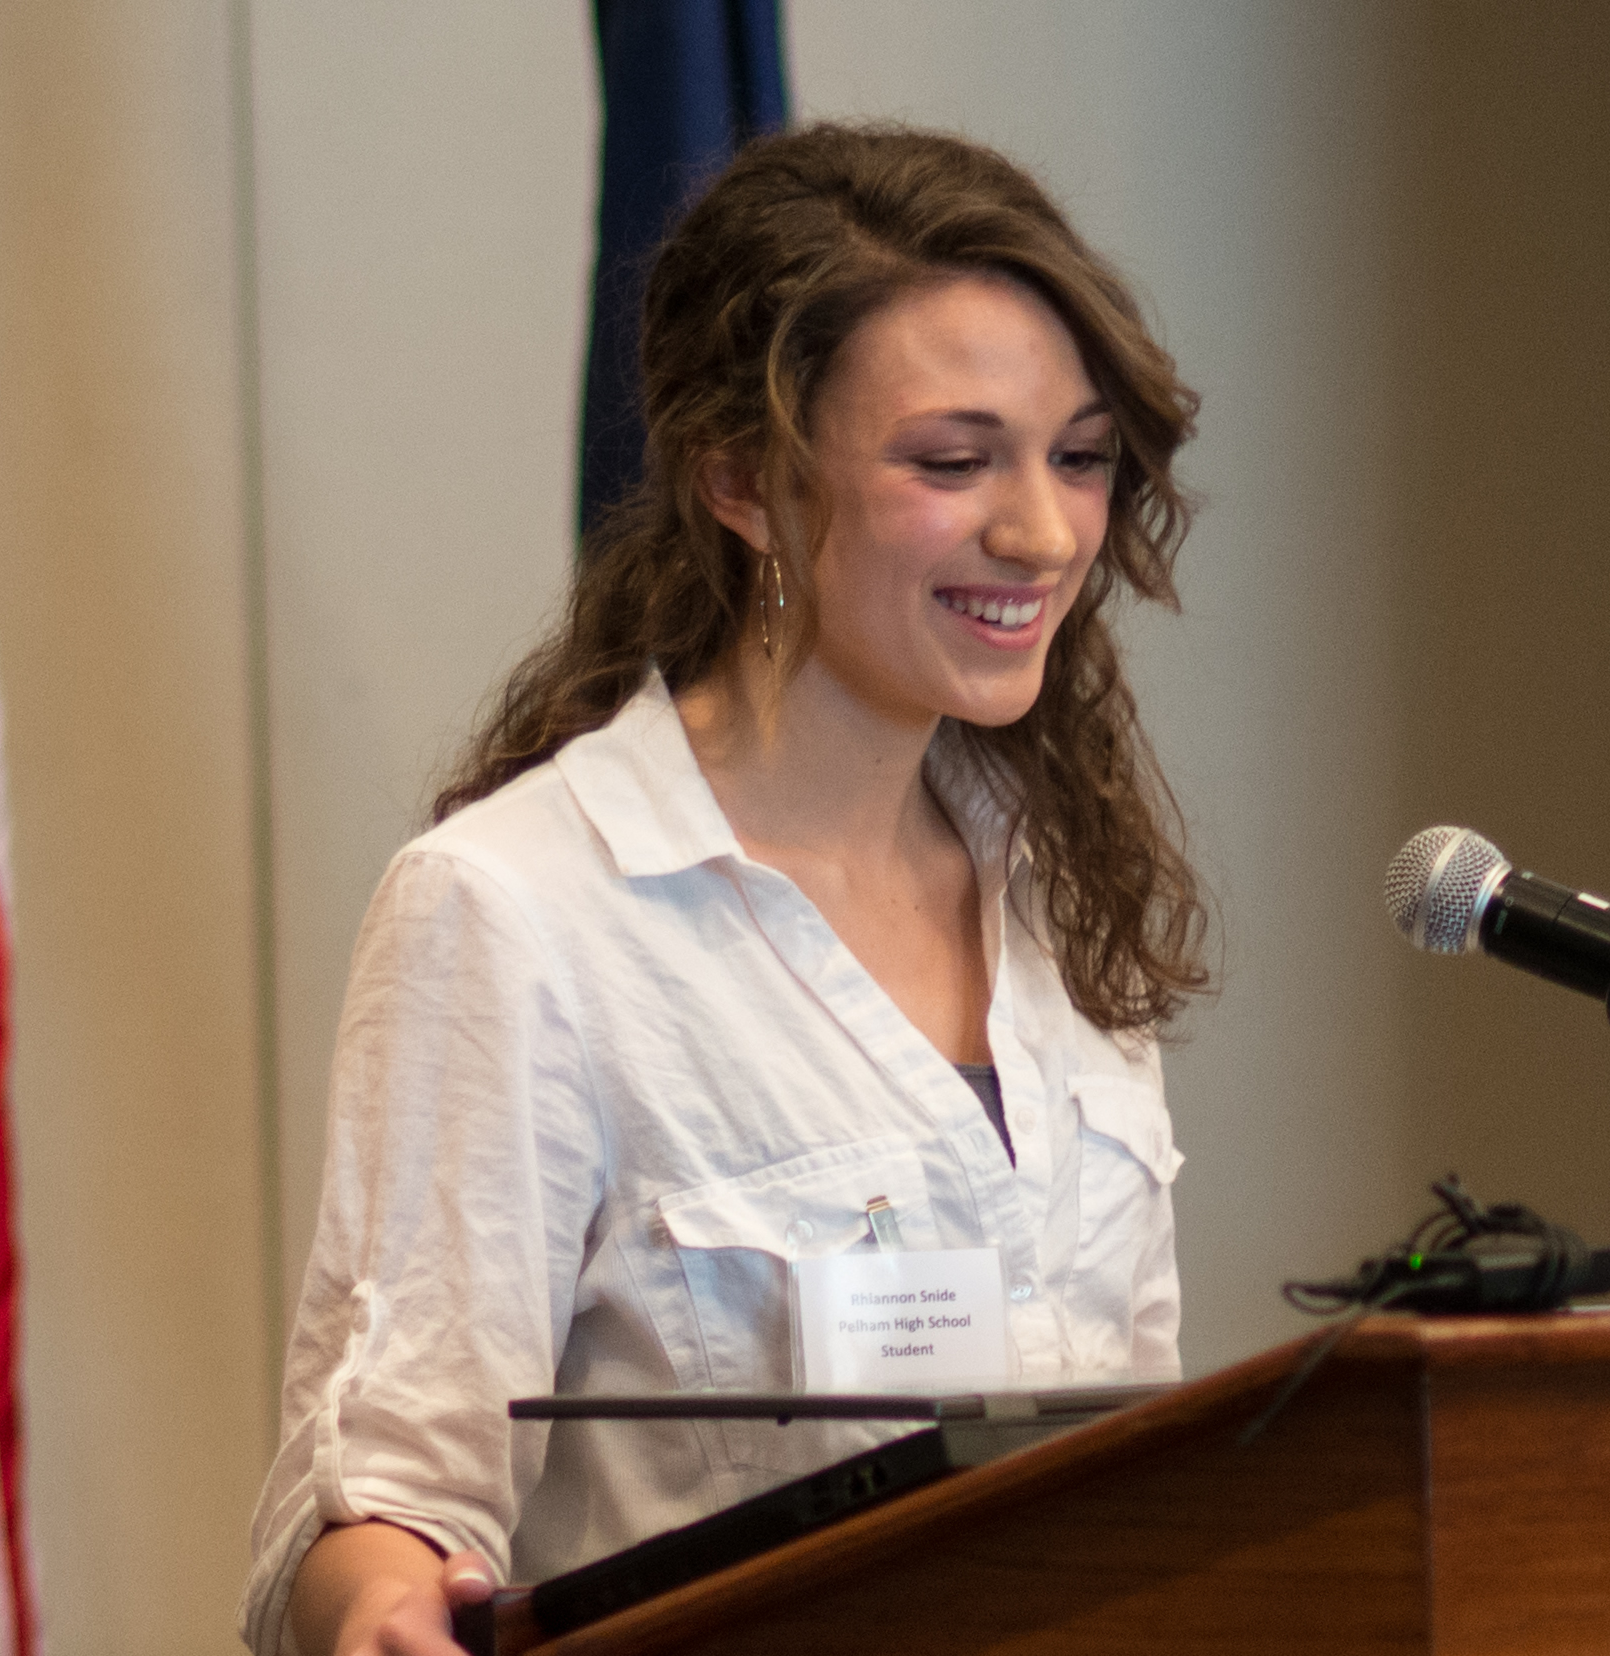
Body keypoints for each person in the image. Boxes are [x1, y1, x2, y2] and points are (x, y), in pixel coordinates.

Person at [243, 123, 1210, 1656]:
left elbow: (1140, 1476)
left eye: (1079, 457)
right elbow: (387, 1490)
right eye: (954, 463)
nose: (1042, 531)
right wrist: (382, 1601)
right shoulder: (515, 912)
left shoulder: (1053, 893)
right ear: (743, 483)